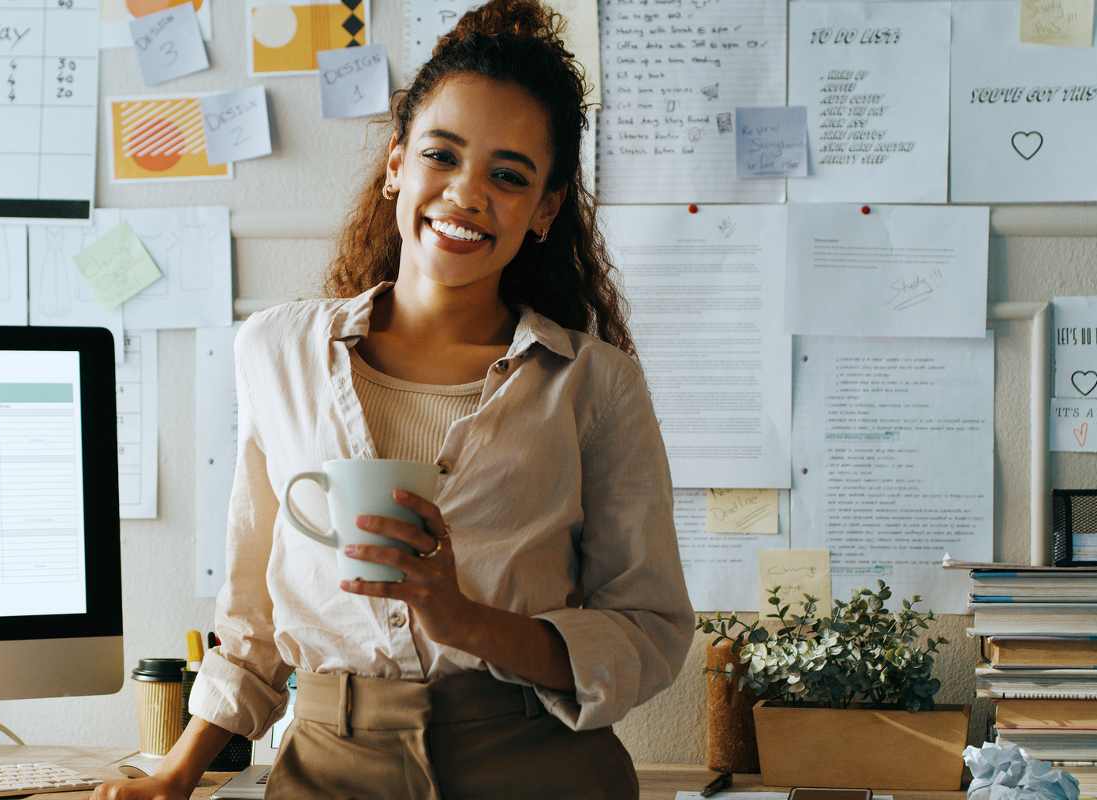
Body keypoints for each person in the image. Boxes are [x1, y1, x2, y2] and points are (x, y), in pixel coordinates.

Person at [92, 1, 692, 796]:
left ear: (545, 209)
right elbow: (253, 615)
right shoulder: (277, 351)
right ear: (395, 164)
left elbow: (648, 629)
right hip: (330, 763)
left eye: (509, 176)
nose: (467, 194)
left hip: (535, 763)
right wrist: (175, 772)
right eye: (442, 155)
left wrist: (465, 620)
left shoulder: (594, 383)